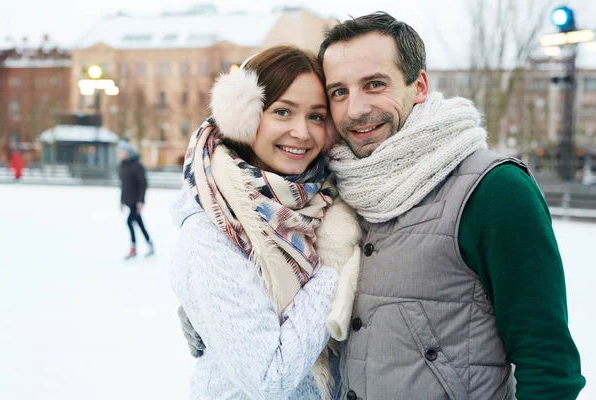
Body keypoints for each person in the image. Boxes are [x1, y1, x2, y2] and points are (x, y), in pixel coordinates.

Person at [181, 12, 586, 400]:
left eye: (374, 84)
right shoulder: (334, 191)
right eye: (339, 92)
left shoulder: (494, 190)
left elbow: (547, 362)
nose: (356, 108)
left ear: (420, 85)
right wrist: (211, 311)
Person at [170, 45, 362, 400]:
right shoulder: (210, 233)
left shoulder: (328, 204)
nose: (302, 132)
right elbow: (268, 376)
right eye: (283, 111)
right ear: (245, 116)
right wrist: (335, 269)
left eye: (317, 117)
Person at [117, 140, 154, 259]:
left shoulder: (137, 165)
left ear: (127, 153)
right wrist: (122, 200)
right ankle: (150, 245)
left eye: (121, 152)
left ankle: (133, 249)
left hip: (135, 201)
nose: (118, 154)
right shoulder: (122, 165)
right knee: (139, 223)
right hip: (128, 200)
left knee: (129, 222)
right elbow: (123, 184)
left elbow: (143, 184)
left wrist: (140, 201)